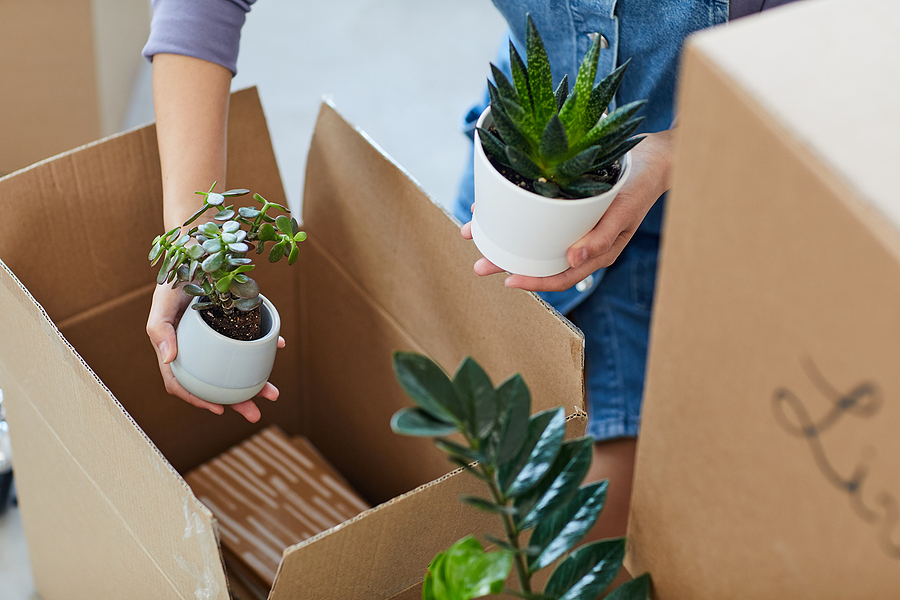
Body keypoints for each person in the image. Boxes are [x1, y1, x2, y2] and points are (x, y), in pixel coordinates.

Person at [142, 0, 799, 550]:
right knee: (453, 467)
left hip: (713, 193)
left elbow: (848, 39)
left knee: (587, 538)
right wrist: (195, 229)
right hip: (513, 179)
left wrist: (676, 150)